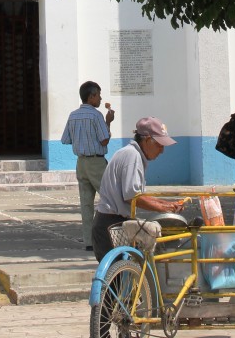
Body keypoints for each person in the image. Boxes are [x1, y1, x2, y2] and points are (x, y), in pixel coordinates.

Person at [92, 116, 183, 262]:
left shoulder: (132, 154)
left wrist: (166, 204)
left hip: (111, 222)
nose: (162, 151)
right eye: (159, 145)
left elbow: (137, 194)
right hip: (110, 224)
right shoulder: (132, 156)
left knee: (124, 272)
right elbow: (132, 197)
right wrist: (163, 208)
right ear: (147, 140)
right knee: (118, 274)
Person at [61, 81, 114, 250]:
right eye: (98, 95)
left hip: (81, 162)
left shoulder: (73, 115)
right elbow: (104, 140)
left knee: (86, 204)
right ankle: (110, 236)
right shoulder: (96, 115)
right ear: (91, 97)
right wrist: (108, 122)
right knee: (110, 198)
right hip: (96, 162)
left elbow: (65, 139)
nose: (100, 99)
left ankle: (89, 242)